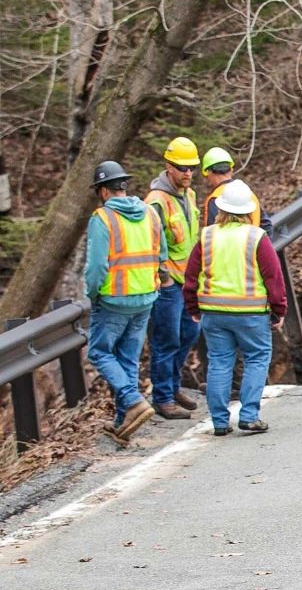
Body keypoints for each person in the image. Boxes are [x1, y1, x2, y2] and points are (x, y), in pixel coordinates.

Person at [181, 180, 288, 436]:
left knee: (219, 362)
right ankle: (249, 416)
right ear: (249, 210)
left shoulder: (207, 236)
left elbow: (191, 276)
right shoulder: (256, 237)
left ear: (221, 209)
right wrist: (279, 309)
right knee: (257, 358)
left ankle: (219, 421)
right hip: (251, 314)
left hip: (214, 313)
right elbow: (273, 276)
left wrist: (193, 308)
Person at [84, 160, 162, 443]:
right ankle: (122, 421)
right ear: (123, 186)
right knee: (127, 358)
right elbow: (162, 254)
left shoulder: (102, 219)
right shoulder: (150, 213)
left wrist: (93, 294)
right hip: (145, 297)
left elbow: (96, 268)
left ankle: (132, 400)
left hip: (114, 299)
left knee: (99, 353)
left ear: (103, 191)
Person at [145, 136, 203, 420]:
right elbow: (150, 244)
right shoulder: (156, 202)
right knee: (166, 339)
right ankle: (163, 397)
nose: (188, 172)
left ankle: (173, 386)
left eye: (192, 167)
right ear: (168, 167)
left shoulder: (189, 195)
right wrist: (164, 276)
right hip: (168, 284)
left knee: (190, 334)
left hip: (189, 280)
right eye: (182, 167)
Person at [201, 147, 272, 235]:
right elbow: (266, 226)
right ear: (231, 170)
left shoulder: (215, 199)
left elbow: (212, 235)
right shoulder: (248, 194)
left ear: (208, 172)